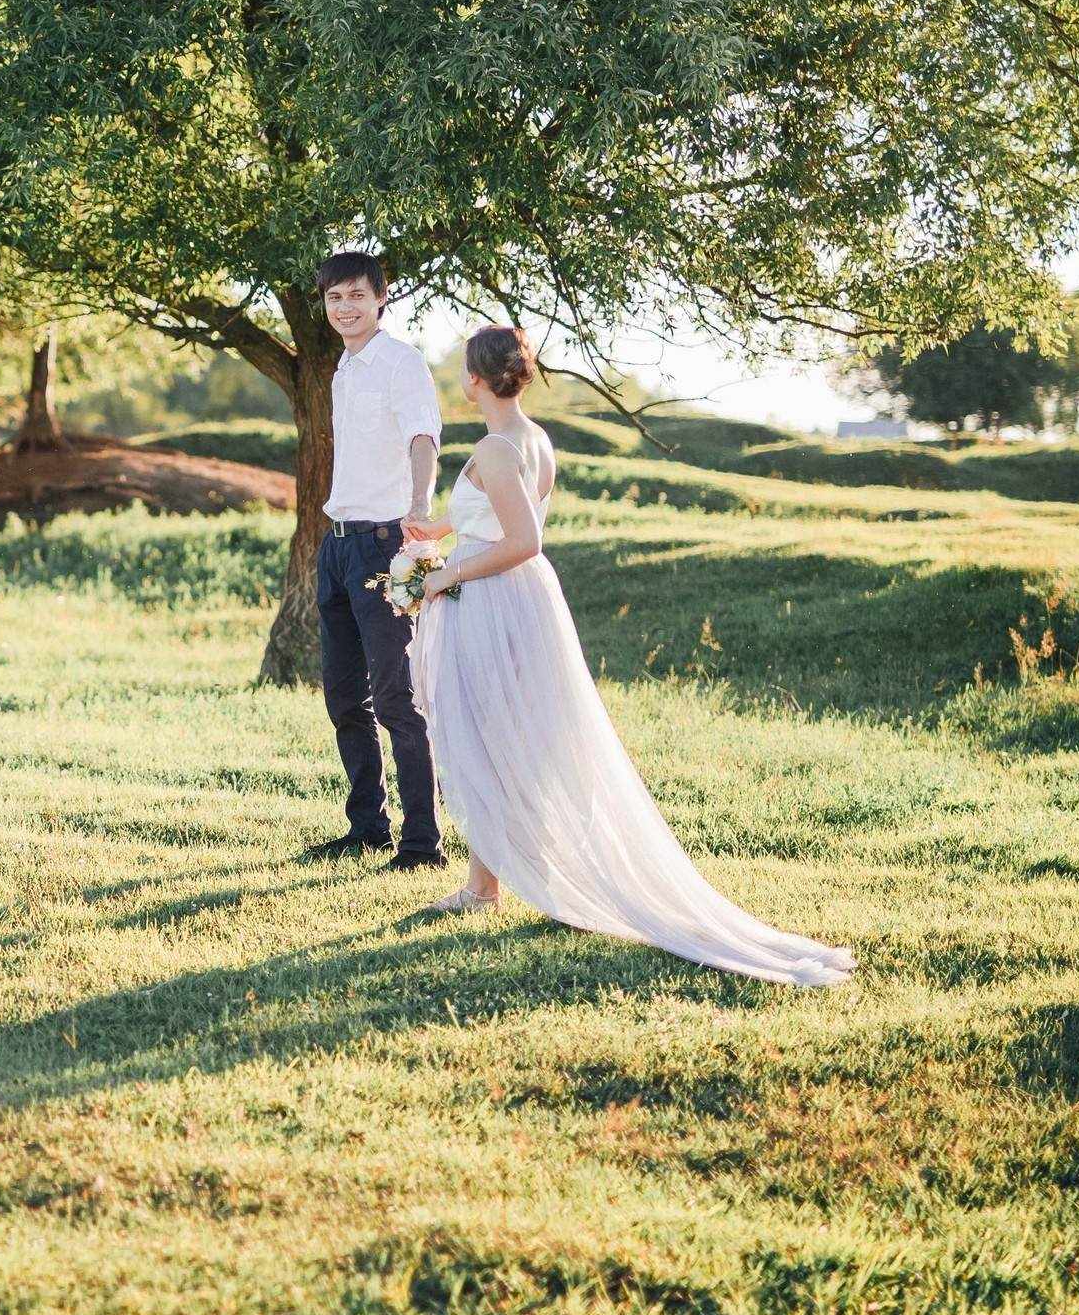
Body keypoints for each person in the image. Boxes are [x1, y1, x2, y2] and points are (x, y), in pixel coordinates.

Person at [404, 325, 854, 987]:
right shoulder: (533, 441)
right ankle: (484, 884)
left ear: (473, 379)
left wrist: (445, 576)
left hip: (496, 597)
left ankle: (489, 885)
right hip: (520, 599)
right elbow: (501, 517)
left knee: (489, 734)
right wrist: (443, 531)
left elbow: (523, 539)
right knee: (503, 734)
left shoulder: (497, 449)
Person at [303, 250, 446, 871]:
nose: (345, 308)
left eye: (356, 295)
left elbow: (423, 435)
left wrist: (419, 503)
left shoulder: (400, 361)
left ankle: (422, 843)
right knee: (344, 697)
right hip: (336, 544)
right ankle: (368, 827)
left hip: (384, 542)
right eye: (335, 298)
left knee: (394, 695)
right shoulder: (343, 366)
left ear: (380, 298)